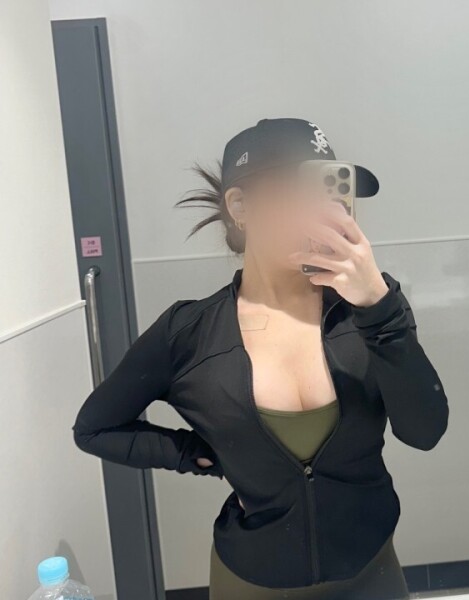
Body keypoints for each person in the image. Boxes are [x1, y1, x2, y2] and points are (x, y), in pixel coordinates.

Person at [72, 117, 449, 600]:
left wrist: (378, 305)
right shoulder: (190, 334)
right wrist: (197, 455)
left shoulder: (371, 309)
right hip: (252, 581)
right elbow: (94, 429)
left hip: (371, 571)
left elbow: (425, 432)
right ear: (240, 206)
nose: (318, 211)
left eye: (329, 192)